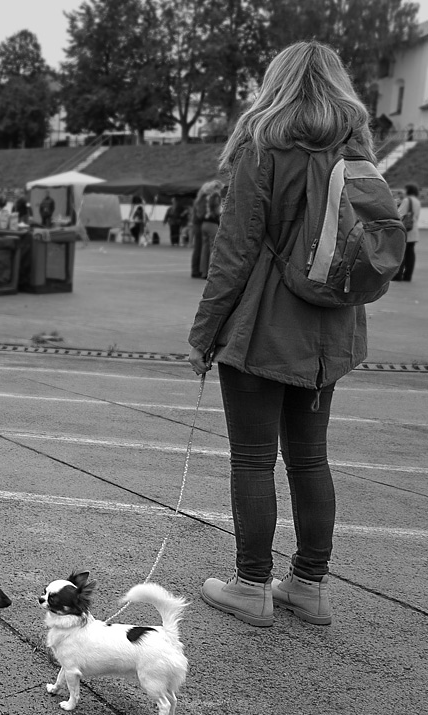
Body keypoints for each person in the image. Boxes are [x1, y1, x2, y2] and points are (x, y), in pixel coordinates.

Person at [187, 40, 381, 628]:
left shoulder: (265, 144)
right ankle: (309, 584)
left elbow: (236, 249)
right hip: (332, 329)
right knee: (310, 459)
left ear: (278, 81)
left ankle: (251, 585)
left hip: (266, 324)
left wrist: (204, 333)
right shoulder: (357, 146)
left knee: (252, 459)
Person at [396, 182, 420, 281]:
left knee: (402, 253)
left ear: (408, 190)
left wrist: (396, 205)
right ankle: (408, 276)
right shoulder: (417, 201)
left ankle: (398, 275)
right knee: (410, 253)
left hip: (406, 230)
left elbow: (399, 214)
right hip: (413, 229)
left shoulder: (407, 200)